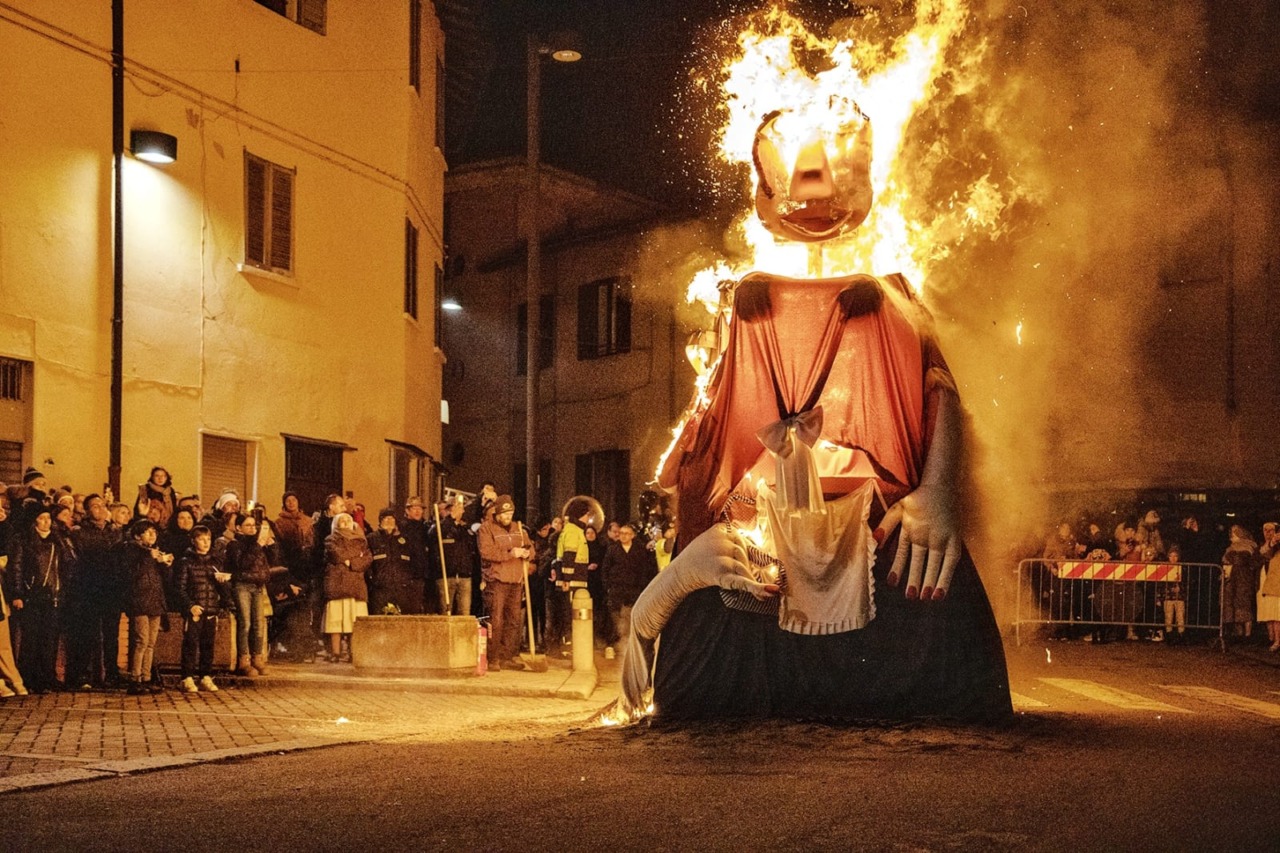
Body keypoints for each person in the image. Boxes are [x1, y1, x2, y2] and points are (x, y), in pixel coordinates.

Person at [10, 506, 76, 693]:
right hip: (33, 594)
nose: (47, 522)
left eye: (48, 518)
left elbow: (68, 564)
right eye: (42, 518)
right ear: (34, 521)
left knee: (50, 638)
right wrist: (18, 593)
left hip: (54, 594)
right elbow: (17, 567)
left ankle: (48, 676)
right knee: (31, 639)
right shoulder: (24, 540)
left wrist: (64, 587)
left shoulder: (57, 540)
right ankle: (30, 677)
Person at [68, 493, 125, 690]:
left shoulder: (115, 531)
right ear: (86, 510)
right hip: (89, 587)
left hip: (112, 588)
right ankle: (85, 674)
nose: (100, 508)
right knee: (88, 632)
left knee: (111, 634)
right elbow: (82, 556)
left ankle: (111, 674)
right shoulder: (80, 532)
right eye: (94, 506)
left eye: (102, 504)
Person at [477, 495, 532, 671]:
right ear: (497, 513)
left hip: (516, 580)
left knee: (513, 620)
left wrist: (527, 553)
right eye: (505, 514)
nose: (508, 517)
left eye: (511, 513)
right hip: (497, 581)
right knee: (496, 620)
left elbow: (530, 547)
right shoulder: (486, 529)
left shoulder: (519, 528)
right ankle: (493, 658)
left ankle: (507, 656)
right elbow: (487, 552)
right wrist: (510, 553)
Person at [174, 525, 231, 693]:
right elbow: (179, 588)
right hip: (195, 611)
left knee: (208, 645)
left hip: (211, 610)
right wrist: (190, 605)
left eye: (208, 539)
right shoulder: (186, 562)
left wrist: (223, 583)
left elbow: (224, 591)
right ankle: (187, 677)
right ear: (193, 541)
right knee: (190, 644)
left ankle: (206, 676)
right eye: (201, 539)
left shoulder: (215, 562)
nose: (206, 543)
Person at [118, 519, 171, 695]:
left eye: (154, 532)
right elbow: (131, 575)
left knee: (151, 643)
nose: (152, 535)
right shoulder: (130, 551)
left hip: (155, 601)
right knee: (141, 641)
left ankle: (147, 677)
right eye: (148, 532)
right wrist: (150, 558)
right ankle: (135, 678)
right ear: (137, 536)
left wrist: (166, 564)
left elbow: (164, 579)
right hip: (139, 601)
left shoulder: (153, 552)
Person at [224, 512, 279, 676]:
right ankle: (244, 660)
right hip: (242, 585)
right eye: (248, 525)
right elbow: (242, 563)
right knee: (245, 623)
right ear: (238, 528)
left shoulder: (256, 544)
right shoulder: (234, 545)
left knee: (258, 624)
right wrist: (258, 545)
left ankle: (258, 658)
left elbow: (271, 561)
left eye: (253, 525)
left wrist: (271, 545)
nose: (252, 528)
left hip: (258, 586)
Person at [322, 512, 372, 663]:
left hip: (356, 585)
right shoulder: (331, 539)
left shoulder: (361, 540)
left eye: (348, 520)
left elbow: (367, 558)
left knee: (354, 621)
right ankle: (336, 652)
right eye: (342, 520)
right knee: (335, 620)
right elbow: (336, 554)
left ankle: (353, 652)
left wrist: (352, 562)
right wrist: (355, 556)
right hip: (338, 583)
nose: (345, 523)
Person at [600, 523, 657, 647]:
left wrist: (641, 587)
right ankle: (616, 641)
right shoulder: (613, 549)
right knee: (615, 615)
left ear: (632, 536)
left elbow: (643, 570)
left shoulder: (639, 550)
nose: (623, 536)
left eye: (626, 534)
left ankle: (629, 642)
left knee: (631, 615)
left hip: (633, 589)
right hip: (616, 588)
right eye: (621, 533)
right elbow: (605, 568)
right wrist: (608, 586)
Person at [368, 508, 424, 614]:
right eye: (386, 518)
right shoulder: (372, 539)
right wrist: (373, 581)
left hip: (402, 589)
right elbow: (368, 564)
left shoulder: (405, 540)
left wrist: (409, 581)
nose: (389, 521)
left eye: (392, 519)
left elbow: (414, 562)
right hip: (380, 589)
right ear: (380, 521)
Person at [0, 497, 29, 696]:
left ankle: (13, 680)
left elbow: (6, 555)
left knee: (3, 641)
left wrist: (3, 525)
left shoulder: (5, 530)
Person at [431, 498, 475, 617]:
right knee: (445, 611)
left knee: (464, 612)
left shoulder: (465, 528)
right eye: (459, 508)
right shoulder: (440, 526)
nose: (462, 511)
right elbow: (433, 534)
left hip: (464, 576)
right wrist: (451, 519)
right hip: (446, 575)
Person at [1222, 524, 1261, 642]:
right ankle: (1239, 634)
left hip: (1244, 579)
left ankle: (1248, 634)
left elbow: (1251, 562)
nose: (1231, 536)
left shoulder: (1249, 546)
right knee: (1234, 605)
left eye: (1234, 533)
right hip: (1232, 579)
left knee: (1244, 606)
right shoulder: (1230, 548)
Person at [1257, 522, 1280, 653]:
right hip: (1273, 584)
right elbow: (1263, 552)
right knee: (1274, 614)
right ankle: (1275, 640)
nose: (1268, 533)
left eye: (1271, 530)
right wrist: (1272, 542)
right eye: (1265, 530)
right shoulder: (1270, 546)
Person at [1162, 544, 1187, 644]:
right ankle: (1169, 636)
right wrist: (1159, 597)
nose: (1173, 558)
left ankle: (1181, 636)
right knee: (1168, 617)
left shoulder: (1183, 568)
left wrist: (1181, 588)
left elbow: (1186, 582)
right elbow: (1161, 584)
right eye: (1171, 556)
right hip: (1168, 596)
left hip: (1179, 597)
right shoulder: (1164, 568)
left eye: (1175, 556)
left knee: (1180, 617)